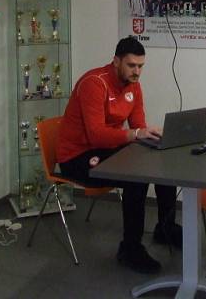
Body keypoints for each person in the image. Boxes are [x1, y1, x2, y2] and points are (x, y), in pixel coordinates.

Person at [57, 38, 181, 274]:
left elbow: (137, 125)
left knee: (160, 161)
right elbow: (96, 136)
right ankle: (130, 249)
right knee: (136, 177)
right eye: (132, 65)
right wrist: (136, 134)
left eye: (141, 66)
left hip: (104, 149)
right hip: (77, 157)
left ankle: (166, 228)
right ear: (116, 61)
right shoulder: (94, 84)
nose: (137, 72)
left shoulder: (133, 84)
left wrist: (151, 137)